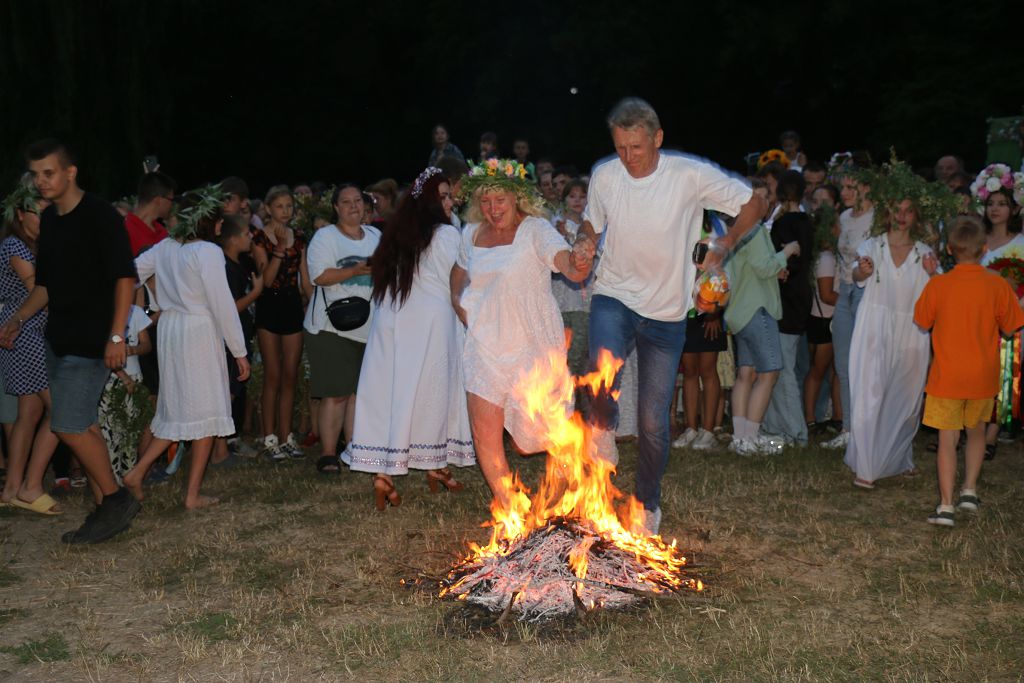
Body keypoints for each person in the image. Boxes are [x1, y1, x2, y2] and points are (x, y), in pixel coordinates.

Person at [574, 98, 767, 534]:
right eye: (621, 148)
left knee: (652, 420)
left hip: (666, 313)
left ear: (657, 138)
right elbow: (592, 222)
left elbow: (754, 203)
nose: (628, 157)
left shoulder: (688, 175)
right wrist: (585, 240)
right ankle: (602, 428)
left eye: (636, 148)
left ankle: (647, 503)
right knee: (600, 364)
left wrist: (727, 243)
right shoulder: (606, 175)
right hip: (614, 295)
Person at [0, 139, 140, 544]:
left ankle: (115, 499)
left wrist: (116, 334)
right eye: (36, 175)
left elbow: (125, 278)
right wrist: (17, 319)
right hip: (55, 339)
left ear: (70, 172)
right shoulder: (51, 222)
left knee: (66, 423)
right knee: (84, 424)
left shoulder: (100, 215)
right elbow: (45, 286)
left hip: (93, 338)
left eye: (49, 173)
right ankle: (105, 506)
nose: (41, 182)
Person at [450, 159, 593, 511]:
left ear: (517, 197)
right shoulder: (471, 233)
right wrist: (461, 306)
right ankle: (511, 508)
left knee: (552, 427)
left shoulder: (535, 230)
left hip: (532, 343)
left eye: (500, 200)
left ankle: (569, 502)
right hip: (484, 344)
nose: (493, 209)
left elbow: (568, 267)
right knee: (484, 429)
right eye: (485, 201)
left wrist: (579, 260)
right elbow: (458, 274)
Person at [343, 168, 475, 507]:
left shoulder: (397, 234)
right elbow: (458, 279)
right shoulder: (445, 234)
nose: (450, 202)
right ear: (429, 201)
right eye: (443, 197)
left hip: (391, 318)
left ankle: (386, 474)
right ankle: (433, 463)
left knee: (393, 392)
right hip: (430, 321)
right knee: (431, 393)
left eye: (450, 195)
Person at [122, 188, 250, 508]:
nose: (220, 226)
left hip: (171, 330)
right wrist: (239, 350)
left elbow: (130, 274)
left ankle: (137, 473)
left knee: (179, 411)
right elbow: (222, 304)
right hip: (197, 332)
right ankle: (191, 495)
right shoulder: (207, 251)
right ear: (206, 221)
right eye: (218, 220)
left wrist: (156, 300)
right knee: (206, 412)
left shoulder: (165, 247)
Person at [914, 216, 1024, 526]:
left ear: (950, 249)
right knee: (976, 433)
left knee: (947, 439)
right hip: (982, 376)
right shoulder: (997, 284)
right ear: (984, 248)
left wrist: (932, 276)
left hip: (947, 376)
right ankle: (969, 491)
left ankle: (946, 506)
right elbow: (1012, 327)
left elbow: (922, 321)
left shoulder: (939, 284)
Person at [843, 160, 947, 489]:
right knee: (869, 392)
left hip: (912, 330)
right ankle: (866, 467)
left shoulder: (923, 253)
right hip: (874, 326)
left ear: (916, 215)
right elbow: (856, 275)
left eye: (908, 210)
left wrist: (933, 273)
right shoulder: (873, 246)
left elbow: (941, 291)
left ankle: (898, 456)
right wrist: (862, 270)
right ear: (888, 213)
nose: (902, 216)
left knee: (905, 398)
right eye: (897, 210)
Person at [303, 185, 381, 473]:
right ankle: (327, 454)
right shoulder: (325, 237)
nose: (353, 206)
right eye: (346, 202)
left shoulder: (375, 236)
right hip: (331, 326)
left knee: (358, 394)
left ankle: (354, 450)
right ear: (336, 207)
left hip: (369, 326)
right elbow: (319, 276)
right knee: (336, 393)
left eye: (357, 201)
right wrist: (355, 270)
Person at [723, 181, 799, 456]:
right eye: (759, 198)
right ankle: (751, 437)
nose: (765, 203)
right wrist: (788, 251)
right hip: (757, 309)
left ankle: (741, 438)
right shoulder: (754, 232)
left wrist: (775, 267)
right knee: (769, 373)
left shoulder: (735, 231)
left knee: (746, 374)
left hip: (738, 311)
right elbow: (765, 267)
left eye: (767, 198)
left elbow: (751, 268)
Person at [0, 182, 61, 515]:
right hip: (26, 334)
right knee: (62, 410)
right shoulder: (15, 246)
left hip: (29, 333)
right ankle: (31, 486)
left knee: (29, 413)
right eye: (37, 213)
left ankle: (12, 488)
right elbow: (40, 292)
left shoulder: (34, 246)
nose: (43, 219)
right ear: (20, 215)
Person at [251, 186, 309, 459]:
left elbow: (304, 278)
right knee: (272, 374)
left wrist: (313, 304)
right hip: (269, 305)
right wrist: (279, 249)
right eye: (279, 206)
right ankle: (269, 437)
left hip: (292, 305)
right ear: (268, 208)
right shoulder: (259, 238)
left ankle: (287, 436)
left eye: (289, 206)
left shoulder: (300, 237)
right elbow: (267, 280)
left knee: (290, 374)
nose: (285, 211)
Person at [971, 164, 1024, 458]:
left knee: (1005, 374)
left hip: (1011, 318)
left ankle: (991, 435)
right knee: (977, 372)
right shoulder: (976, 241)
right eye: (991, 203)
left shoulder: (1021, 243)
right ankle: (971, 428)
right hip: (977, 317)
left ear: (1014, 208)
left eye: (1002, 203)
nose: (995, 209)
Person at [822, 169, 874, 449]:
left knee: (865, 364)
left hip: (867, 293)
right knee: (843, 364)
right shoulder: (843, 217)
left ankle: (867, 430)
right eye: (842, 188)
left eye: (851, 187)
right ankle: (848, 429)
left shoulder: (877, 218)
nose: (845, 193)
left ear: (867, 188)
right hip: (845, 291)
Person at [763, 171, 814, 444]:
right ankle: (777, 426)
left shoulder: (783, 224)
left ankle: (795, 431)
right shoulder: (807, 222)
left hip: (784, 299)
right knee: (784, 365)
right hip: (800, 296)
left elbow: (778, 262)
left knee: (782, 368)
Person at [803, 204, 842, 429]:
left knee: (834, 371)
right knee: (818, 372)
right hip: (824, 320)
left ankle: (837, 417)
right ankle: (810, 419)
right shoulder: (827, 258)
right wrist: (851, 303)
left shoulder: (823, 256)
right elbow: (827, 295)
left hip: (823, 319)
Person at [125, 172, 176, 256]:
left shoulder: (162, 231)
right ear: (159, 200)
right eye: (171, 200)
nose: (172, 204)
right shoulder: (125, 232)